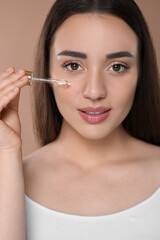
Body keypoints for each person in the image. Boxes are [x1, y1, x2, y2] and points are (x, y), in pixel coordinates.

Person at [0, 0, 160, 239]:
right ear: (47, 68)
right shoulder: (8, 175)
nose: (94, 92)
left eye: (117, 67)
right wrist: (7, 153)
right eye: (73, 65)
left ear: (140, 72)